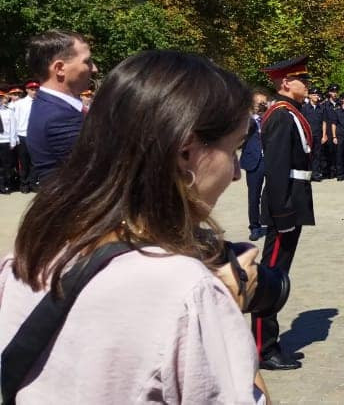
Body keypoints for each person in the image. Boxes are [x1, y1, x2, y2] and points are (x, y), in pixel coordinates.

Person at [0, 50, 268, 403]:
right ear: (185, 151)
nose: (235, 173)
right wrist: (228, 320)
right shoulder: (190, 293)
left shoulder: (31, 254)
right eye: (232, 150)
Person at [255, 56, 317, 371]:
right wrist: (282, 213)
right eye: (301, 79)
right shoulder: (281, 115)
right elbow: (277, 168)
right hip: (285, 205)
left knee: (277, 273)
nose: (307, 85)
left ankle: (267, 342)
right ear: (285, 84)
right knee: (272, 275)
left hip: (293, 200)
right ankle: (263, 347)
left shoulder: (290, 112)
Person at [25, 31, 98, 183]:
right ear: (59, 68)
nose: (94, 69)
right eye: (87, 62)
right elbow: (98, 174)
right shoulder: (59, 117)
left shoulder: (52, 106)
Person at [241, 90, 269, 242]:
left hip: (270, 161)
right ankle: (255, 227)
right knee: (254, 197)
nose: (260, 106)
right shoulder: (245, 120)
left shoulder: (270, 119)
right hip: (254, 162)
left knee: (272, 194)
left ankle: (272, 224)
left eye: (263, 103)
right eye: (258, 103)